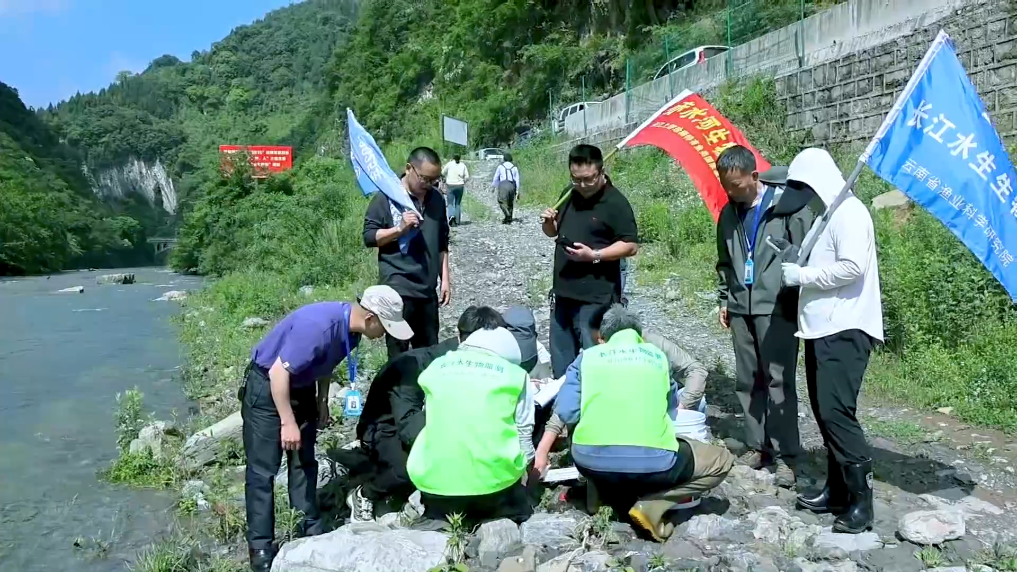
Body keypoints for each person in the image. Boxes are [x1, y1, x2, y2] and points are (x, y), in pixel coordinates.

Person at [241, 286, 412, 572]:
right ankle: (260, 546)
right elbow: (277, 373)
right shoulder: (317, 329)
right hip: (268, 389)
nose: (385, 334)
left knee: (304, 462)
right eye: (385, 327)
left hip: (302, 388)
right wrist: (287, 422)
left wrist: (322, 401)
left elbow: (325, 363)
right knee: (263, 470)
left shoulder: (352, 333)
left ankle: (309, 525)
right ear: (371, 318)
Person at [543, 304, 734, 542]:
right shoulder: (657, 357)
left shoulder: (586, 358)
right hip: (653, 461)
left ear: (603, 336)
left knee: (593, 439)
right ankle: (652, 505)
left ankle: (598, 496)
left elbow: (567, 412)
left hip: (588, 460)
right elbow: (670, 406)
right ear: (637, 332)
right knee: (721, 461)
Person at [780, 148, 884, 534]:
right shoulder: (829, 214)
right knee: (825, 413)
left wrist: (802, 277)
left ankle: (861, 504)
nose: (804, 196)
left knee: (837, 413)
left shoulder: (851, 213)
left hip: (845, 328)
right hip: (820, 328)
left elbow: (852, 267)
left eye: (805, 188)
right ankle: (837, 491)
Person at [344, 306, 507, 522]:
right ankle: (365, 494)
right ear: (460, 337)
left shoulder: (477, 362)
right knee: (412, 465)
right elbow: (408, 427)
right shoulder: (411, 368)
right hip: (384, 429)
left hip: (431, 422)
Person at [715, 144, 815, 487]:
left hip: (776, 306)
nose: (731, 192)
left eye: (736, 185)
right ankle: (757, 446)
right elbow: (724, 261)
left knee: (778, 380)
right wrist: (725, 299)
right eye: (725, 186)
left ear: (754, 176)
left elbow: (804, 255)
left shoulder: (787, 206)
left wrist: (794, 297)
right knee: (747, 379)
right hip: (740, 307)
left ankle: (788, 455)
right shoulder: (729, 214)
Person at [533, 303, 711, 475]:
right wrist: (544, 447)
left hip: (595, 454)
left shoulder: (653, 345)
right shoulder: (606, 354)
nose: (599, 344)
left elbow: (567, 407)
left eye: (600, 339)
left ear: (607, 334)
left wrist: (683, 406)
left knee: (698, 401)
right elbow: (567, 405)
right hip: (652, 450)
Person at [407, 321, 536, 526]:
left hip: (434, 485)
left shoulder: (436, 367)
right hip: (495, 488)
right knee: (518, 505)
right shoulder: (515, 375)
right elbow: (524, 436)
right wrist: (526, 474)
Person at [540, 144, 639, 378]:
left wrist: (594, 255)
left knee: (596, 362)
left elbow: (631, 245)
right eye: (576, 179)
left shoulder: (615, 202)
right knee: (562, 363)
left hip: (596, 297)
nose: (582, 185)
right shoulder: (569, 193)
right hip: (563, 292)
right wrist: (548, 223)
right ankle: (564, 398)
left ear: (601, 171)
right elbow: (553, 232)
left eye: (588, 179)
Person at [363, 147, 451, 359]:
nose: (429, 185)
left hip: (427, 290)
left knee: (429, 352)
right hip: (397, 288)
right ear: (409, 168)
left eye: (435, 180)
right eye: (425, 179)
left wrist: (445, 279)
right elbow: (369, 237)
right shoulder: (386, 198)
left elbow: (442, 241)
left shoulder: (436, 199)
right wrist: (399, 229)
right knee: (398, 355)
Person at [441, 154, 470, 226]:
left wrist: (445, 178)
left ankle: (451, 216)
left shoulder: (449, 164)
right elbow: (467, 176)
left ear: (453, 158)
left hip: (450, 185)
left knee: (450, 203)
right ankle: (457, 220)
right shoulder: (463, 165)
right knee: (458, 203)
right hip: (460, 186)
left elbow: (442, 173)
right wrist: (463, 181)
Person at [492, 152, 521, 224]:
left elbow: (496, 178)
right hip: (511, 185)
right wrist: (517, 190)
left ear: (504, 159)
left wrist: (493, 186)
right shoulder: (514, 167)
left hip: (503, 185)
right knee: (510, 202)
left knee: (501, 201)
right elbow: (517, 180)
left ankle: (507, 214)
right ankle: (509, 219)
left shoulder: (500, 167)